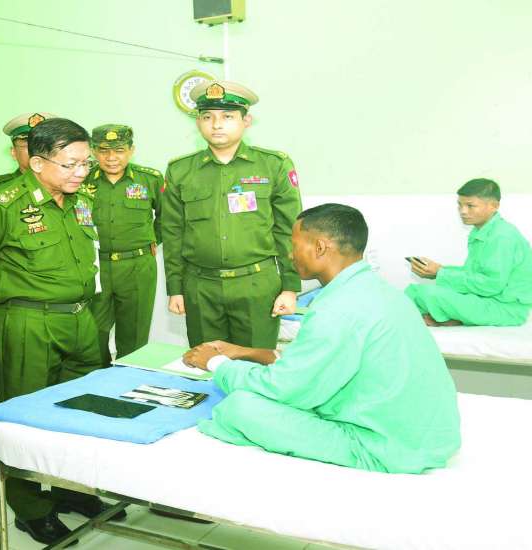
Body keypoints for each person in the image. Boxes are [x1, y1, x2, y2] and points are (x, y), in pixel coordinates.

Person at [183, 203, 461, 474]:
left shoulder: (336, 309)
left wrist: (216, 363)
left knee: (239, 407)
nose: (290, 254)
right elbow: (318, 361)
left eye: (294, 245)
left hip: (384, 447)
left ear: (319, 247)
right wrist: (243, 352)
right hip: (430, 436)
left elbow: (284, 389)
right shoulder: (380, 291)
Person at [0, 118, 124, 545]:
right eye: (71, 164)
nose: (81, 172)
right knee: (24, 419)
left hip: (81, 319)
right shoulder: (2, 205)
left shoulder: (80, 200)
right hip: (28, 323)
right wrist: (5, 310)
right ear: (38, 162)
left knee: (81, 412)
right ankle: (30, 508)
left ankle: (75, 491)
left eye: (85, 163)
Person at [161, 80, 302, 349]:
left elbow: (289, 231)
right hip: (201, 287)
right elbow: (172, 233)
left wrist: (290, 287)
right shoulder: (180, 171)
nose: (216, 125)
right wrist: (175, 289)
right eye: (207, 117)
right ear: (198, 122)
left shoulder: (274, 166)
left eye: (227, 116)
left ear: (246, 121)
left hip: (256, 285)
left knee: (255, 363)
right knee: (206, 363)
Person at [84, 124, 162, 367]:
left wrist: (146, 242)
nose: (111, 157)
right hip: (94, 266)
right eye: (103, 150)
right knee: (92, 332)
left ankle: (128, 380)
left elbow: (167, 219)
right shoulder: (81, 179)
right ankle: (98, 379)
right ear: (93, 151)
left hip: (137, 266)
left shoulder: (150, 179)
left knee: (135, 333)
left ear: (131, 150)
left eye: (119, 150)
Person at [405, 178, 532, 327]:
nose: (463, 211)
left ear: (494, 206)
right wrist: (439, 270)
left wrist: (440, 273)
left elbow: (491, 285)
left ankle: (450, 319)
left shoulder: (502, 236)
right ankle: (451, 318)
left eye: (470, 206)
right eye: (460, 205)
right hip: (484, 298)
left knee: (427, 293)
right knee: (413, 291)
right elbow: (474, 274)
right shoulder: (481, 231)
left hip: (505, 309)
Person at [0, 112, 57, 209]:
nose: (38, 149)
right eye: (28, 144)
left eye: (45, 143)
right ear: (14, 152)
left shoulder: (68, 187)